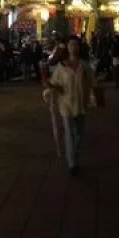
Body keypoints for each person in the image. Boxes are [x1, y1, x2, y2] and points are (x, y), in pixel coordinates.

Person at [47, 36, 95, 175]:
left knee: (79, 134)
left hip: (81, 103)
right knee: (69, 133)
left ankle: (75, 155)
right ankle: (72, 163)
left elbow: (92, 81)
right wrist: (50, 86)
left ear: (79, 47)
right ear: (67, 47)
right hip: (66, 103)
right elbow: (55, 83)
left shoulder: (84, 65)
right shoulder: (61, 67)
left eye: (75, 44)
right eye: (71, 44)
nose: (73, 47)